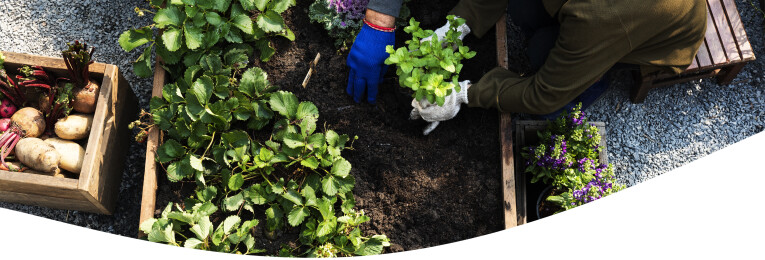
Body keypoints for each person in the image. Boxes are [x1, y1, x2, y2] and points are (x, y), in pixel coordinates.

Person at [346, 0, 707, 134]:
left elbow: (542, 94)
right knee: (520, 10)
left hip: (658, 35)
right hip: (610, 18)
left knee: (546, 66)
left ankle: (594, 78)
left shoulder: (602, 15)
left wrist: (464, 94)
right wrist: (458, 26)